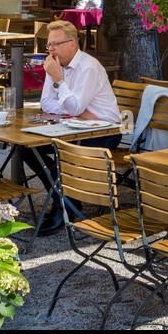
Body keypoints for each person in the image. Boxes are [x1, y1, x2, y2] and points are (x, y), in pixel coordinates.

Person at [37, 19, 123, 232]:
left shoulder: (88, 67)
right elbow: (46, 103)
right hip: (76, 126)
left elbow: (73, 107)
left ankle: (61, 207)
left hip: (105, 129)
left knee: (65, 152)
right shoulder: (55, 64)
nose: (51, 49)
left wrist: (58, 81)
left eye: (56, 44)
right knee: (28, 148)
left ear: (73, 44)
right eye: (49, 44)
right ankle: (64, 199)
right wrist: (78, 111)